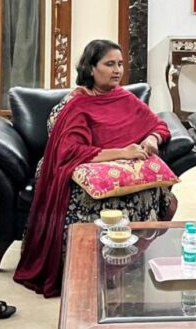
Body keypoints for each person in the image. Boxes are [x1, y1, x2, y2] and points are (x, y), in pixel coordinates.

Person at [14, 39, 176, 298]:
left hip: (120, 172)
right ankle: (89, 267)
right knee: (94, 199)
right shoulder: (77, 105)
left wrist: (152, 139)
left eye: (120, 64)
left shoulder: (124, 98)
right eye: (109, 64)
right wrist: (122, 153)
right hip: (74, 170)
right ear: (91, 68)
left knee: (150, 192)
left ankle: (128, 264)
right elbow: (70, 152)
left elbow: (159, 125)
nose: (117, 70)